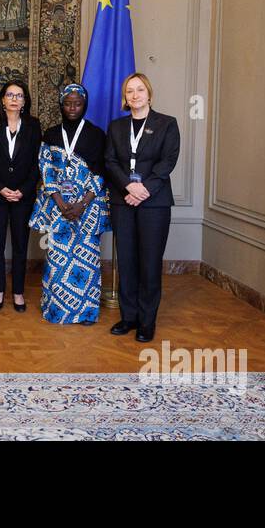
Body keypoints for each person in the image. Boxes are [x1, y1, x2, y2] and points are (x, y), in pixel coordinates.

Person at [104, 73, 179, 342]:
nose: (135, 95)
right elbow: (110, 161)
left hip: (154, 204)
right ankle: (129, 317)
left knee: (149, 262)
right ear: (125, 97)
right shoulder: (116, 127)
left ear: (149, 93)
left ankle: (147, 322)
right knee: (126, 260)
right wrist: (129, 187)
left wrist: (143, 190)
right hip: (123, 202)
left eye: (139, 90)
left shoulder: (167, 124)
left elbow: (167, 162)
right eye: (129, 91)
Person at [29, 83, 109, 325]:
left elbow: (102, 170)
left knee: (87, 261)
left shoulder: (97, 135)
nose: (73, 107)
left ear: (85, 105)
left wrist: (82, 204)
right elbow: (46, 169)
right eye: (68, 103)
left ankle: (86, 313)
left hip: (88, 208)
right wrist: (61, 202)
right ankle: (56, 311)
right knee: (58, 260)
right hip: (58, 208)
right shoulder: (51, 134)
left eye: (78, 103)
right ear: (61, 105)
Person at [0, 80, 41, 312]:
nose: (15, 99)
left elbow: (37, 163)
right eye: (10, 94)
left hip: (22, 196)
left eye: (19, 95)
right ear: (3, 99)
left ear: (24, 101)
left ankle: (18, 292)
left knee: (20, 245)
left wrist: (24, 190)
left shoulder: (34, 125)